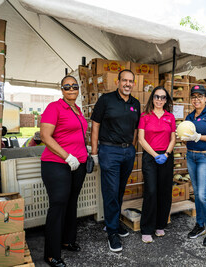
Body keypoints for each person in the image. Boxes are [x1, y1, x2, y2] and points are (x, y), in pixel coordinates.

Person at [40, 75, 88, 267]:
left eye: (74, 86)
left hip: (78, 164)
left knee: (71, 202)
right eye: (66, 86)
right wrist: (67, 156)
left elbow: (77, 135)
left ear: (78, 89)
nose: (71, 89)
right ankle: (51, 254)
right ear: (61, 90)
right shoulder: (54, 107)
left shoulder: (77, 109)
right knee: (58, 205)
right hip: (57, 163)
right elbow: (45, 136)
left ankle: (67, 240)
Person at [91, 69, 141, 252]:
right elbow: (95, 125)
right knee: (111, 190)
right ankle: (111, 231)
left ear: (133, 84)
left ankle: (115, 222)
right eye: (124, 80)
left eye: (130, 81)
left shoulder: (136, 103)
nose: (127, 84)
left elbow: (136, 128)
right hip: (109, 150)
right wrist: (95, 152)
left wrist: (133, 148)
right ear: (118, 82)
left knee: (120, 190)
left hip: (127, 151)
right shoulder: (106, 100)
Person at [182, 85, 206, 247]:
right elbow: (187, 137)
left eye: (200, 96)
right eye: (193, 96)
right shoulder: (190, 116)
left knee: (202, 194)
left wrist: (199, 136)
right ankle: (200, 225)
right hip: (191, 156)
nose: (196, 99)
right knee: (196, 193)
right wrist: (183, 136)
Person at [138, 86, 176, 243]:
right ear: (152, 98)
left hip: (166, 156)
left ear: (166, 100)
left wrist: (166, 154)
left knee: (165, 191)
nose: (159, 100)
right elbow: (141, 139)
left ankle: (160, 225)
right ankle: (146, 228)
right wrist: (155, 155)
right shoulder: (145, 116)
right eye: (157, 97)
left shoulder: (170, 117)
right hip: (150, 157)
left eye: (163, 97)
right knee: (151, 191)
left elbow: (173, 138)